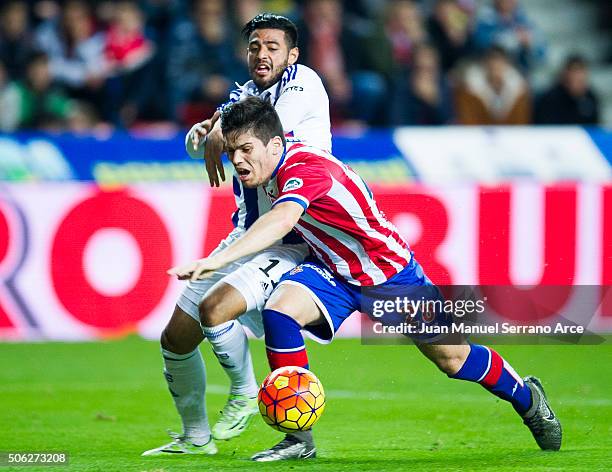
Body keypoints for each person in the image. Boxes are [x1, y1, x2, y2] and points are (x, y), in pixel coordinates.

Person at [169, 96, 563, 462]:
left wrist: (217, 259)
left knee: (453, 359)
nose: (237, 160)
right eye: (233, 151)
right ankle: (298, 439)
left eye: (245, 151)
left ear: (274, 146)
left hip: (388, 275)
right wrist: (216, 127)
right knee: (280, 312)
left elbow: (283, 219)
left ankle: (528, 398)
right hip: (333, 273)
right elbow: (247, 119)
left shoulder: (306, 168)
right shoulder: (270, 154)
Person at [142, 13, 331, 457]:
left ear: (293, 54)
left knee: (216, 309)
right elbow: (198, 143)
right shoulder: (245, 94)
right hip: (248, 231)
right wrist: (203, 133)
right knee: (177, 338)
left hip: (293, 235)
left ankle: (246, 392)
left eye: (272, 46)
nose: (262, 54)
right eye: (254, 47)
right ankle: (195, 438)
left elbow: (263, 127)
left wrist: (218, 129)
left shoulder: (304, 84)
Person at [454, 46, 530, 124]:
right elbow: (468, 122)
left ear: (507, 65)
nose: (495, 67)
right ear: (485, 65)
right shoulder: (470, 91)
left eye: (499, 63)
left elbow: (520, 125)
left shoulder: (519, 91)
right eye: (492, 64)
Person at [534, 55, 600, 125]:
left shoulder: (590, 97)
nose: (579, 76)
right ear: (566, 74)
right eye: (575, 72)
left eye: (582, 72)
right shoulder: (549, 99)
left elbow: (594, 128)